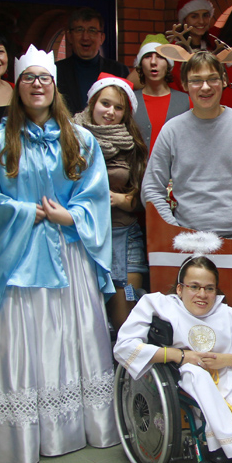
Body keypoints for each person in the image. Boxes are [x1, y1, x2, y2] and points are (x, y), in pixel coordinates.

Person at [0, 45, 118, 463]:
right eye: (29, 78)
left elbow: (95, 195)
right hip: (17, 256)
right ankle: (20, 432)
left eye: (44, 78)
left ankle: (76, 425)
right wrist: (21, 211)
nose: (37, 85)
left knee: (70, 335)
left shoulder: (81, 139)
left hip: (68, 254)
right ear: (17, 87)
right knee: (19, 339)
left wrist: (70, 215)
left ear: (55, 86)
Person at [114, 255, 232, 463]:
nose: (202, 294)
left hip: (224, 372)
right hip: (182, 373)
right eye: (194, 287)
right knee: (197, 374)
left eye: (209, 288)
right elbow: (125, 346)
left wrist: (227, 359)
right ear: (179, 289)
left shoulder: (230, 315)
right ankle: (226, 444)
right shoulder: (159, 305)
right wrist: (179, 355)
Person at [141, 50, 232, 239]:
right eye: (196, 80)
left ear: (224, 80)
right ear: (185, 85)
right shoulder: (171, 130)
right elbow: (151, 189)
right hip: (188, 240)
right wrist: (174, 232)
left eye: (212, 79)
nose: (205, 87)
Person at [73, 73, 149, 331]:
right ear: (92, 102)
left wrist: (121, 199)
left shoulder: (133, 144)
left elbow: (143, 196)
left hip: (122, 236)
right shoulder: (69, 138)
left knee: (125, 321)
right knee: (85, 323)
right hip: (80, 237)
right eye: (105, 103)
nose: (110, 112)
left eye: (118, 108)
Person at [55, 7, 130, 114]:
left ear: (102, 38)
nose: (85, 37)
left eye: (92, 30)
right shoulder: (56, 71)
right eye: (79, 30)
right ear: (70, 36)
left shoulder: (119, 71)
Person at [131, 34, 189, 153]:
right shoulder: (130, 100)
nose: (153, 62)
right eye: (147, 56)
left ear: (168, 63)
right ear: (140, 64)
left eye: (160, 57)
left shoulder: (186, 101)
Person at [170, 0, 215, 94]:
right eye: (194, 16)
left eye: (205, 15)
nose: (201, 21)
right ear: (184, 20)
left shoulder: (213, 47)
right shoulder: (173, 50)